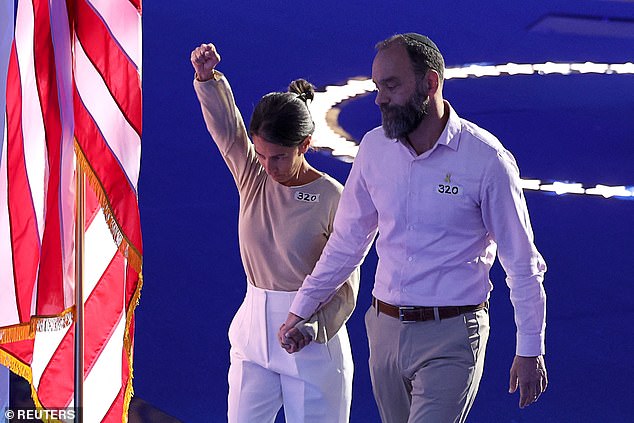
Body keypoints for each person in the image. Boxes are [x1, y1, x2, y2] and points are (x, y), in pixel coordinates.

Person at [279, 33, 548, 422]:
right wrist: (301, 308)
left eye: (391, 85)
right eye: (377, 87)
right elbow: (346, 244)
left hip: (452, 337)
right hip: (384, 331)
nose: (379, 99)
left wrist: (530, 346)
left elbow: (522, 263)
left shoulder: (487, 161)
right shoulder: (373, 150)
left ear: (430, 83)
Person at [190, 43, 358, 423]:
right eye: (261, 154)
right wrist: (207, 79)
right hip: (252, 337)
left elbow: (347, 286)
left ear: (305, 145)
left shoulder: (333, 197)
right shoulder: (253, 176)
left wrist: (312, 328)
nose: (268, 166)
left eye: (279, 157)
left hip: (312, 343)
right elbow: (228, 131)